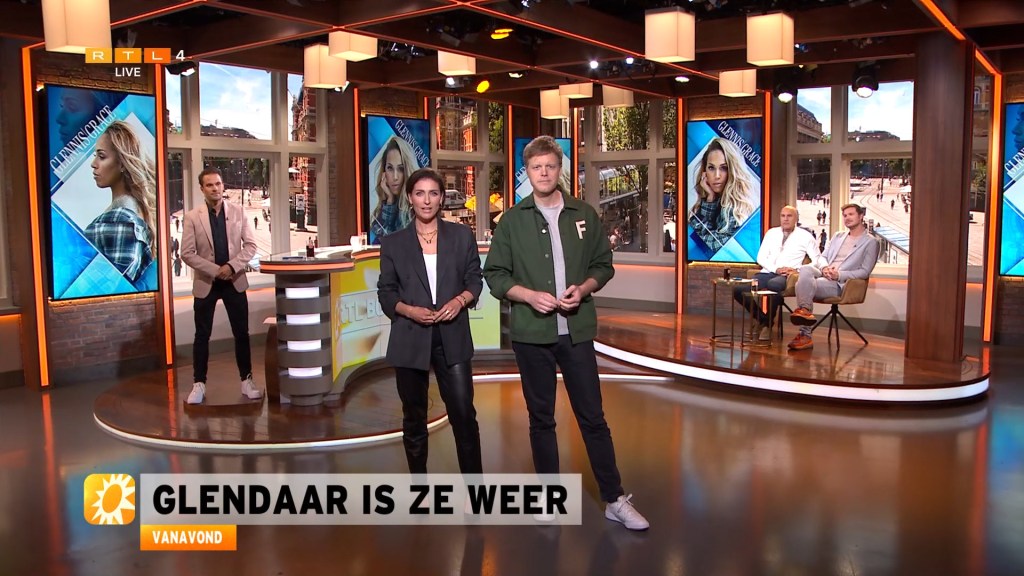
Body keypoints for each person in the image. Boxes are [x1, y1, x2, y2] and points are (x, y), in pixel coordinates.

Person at [483, 136, 649, 531]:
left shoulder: (584, 214)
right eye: (536, 167)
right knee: (541, 418)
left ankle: (614, 499)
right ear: (527, 172)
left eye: (550, 166)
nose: (544, 173)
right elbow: (495, 275)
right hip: (532, 334)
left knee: (593, 417)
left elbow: (603, 265)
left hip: (576, 333)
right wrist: (528, 296)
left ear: (560, 170)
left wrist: (584, 288)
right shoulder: (512, 221)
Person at [377, 168, 483, 475]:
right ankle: (420, 487)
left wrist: (459, 301)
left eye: (433, 193)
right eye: (420, 194)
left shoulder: (461, 236)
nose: (426, 200)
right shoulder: (393, 243)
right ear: (410, 198)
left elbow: (474, 280)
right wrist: (409, 311)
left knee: (463, 414)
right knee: (414, 417)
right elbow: (386, 292)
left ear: (441, 198)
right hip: (410, 336)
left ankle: (475, 489)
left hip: (453, 336)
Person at [180, 167, 263, 404]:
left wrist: (231, 267)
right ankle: (199, 384)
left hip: (234, 281)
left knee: (241, 333)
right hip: (207, 282)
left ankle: (247, 380)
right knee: (202, 335)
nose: (215, 189)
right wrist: (216, 270)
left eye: (218, 184)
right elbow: (187, 253)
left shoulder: (239, 212)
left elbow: (250, 246)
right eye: (209, 185)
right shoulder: (192, 217)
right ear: (202, 189)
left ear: (223, 185)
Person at [788, 203, 880, 351]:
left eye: (851, 214)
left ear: (861, 216)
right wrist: (824, 268)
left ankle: (805, 334)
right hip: (824, 273)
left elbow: (865, 271)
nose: (847, 218)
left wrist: (839, 275)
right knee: (805, 268)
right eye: (845, 215)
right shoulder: (838, 236)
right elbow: (823, 257)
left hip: (841, 283)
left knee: (801, 285)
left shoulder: (871, 242)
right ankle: (804, 313)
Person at [85, 121, 157, 288]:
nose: (93, 164)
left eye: (102, 156)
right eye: (95, 155)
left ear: (122, 163)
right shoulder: (129, 212)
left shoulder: (121, 218)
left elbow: (114, 285)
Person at [734, 205, 820, 341]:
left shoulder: (806, 236)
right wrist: (776, 269)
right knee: (739, 290)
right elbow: (761, 257)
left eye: (789, 216)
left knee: (774, 285)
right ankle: (763, 319)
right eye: (783, 216)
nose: (785, 219)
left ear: (796, 218)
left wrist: (798, 270)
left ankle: (767, 325)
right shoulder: (771, 233)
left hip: (788, 276)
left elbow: (817, 260)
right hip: (768, 271)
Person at [688, 138, 758, 254]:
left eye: (724, 168)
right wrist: (710, 199)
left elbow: (716, 248)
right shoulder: (716, 200)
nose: (717, 175)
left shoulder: (734, 208)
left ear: (733, 170)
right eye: (711, 168)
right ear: (704, 172)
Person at [369, 137, 415, 245]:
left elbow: (394, 246)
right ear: (384, 171)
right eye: (390, 168)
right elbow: (378, 242)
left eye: (400, 169)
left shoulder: (413, 210)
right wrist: (390, 201)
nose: (395, 177)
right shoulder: (386, 205)